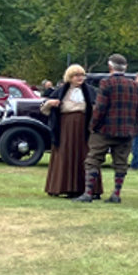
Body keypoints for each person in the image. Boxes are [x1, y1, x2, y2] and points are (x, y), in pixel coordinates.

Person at [72, 53, 138, 204]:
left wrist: (93, 126)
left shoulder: (106, 83)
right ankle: (116, 194)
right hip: (127, 131)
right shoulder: (135, 86)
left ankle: (88, 193)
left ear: (110, 67)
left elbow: (100, 108)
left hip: (105, 129)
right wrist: (134, 126)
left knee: (93, 160)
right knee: (121, 163)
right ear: (126, 68)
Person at [41, 65, 101, 198]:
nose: (80, 78)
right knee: (65, 154)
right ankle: (64, 187)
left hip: (84, 127)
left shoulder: (90, 91)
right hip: (65, 128)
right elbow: (44, 110)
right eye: (76, 75)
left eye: (82, 75)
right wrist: (50, 103)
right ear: (70, 77)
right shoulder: (61, 91)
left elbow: (97, 108)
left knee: (86, 155)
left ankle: (89, 189)